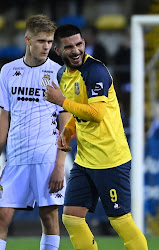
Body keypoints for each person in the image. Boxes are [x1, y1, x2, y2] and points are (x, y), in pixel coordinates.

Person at [44, 24, 148, 250]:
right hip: (85, 159)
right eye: (68, 47)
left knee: (121, 222)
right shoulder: (63, 74)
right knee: (71, 218)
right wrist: (69, 130)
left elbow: (97, 114)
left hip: (110, 158)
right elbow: (80, 111)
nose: (75, 50)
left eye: (79, 44)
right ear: (57, 51)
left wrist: (61, 102)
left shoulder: (95, 71)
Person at [0, 15, 70, 250]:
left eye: (50, 42)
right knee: (2, 216)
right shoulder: (8, 71)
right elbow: (4, 119)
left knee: (49, 218)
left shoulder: (60, 74)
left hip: (47, 158)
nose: (47, 47)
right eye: (41, 41)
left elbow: (67, 124)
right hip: (15, 158)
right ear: (27, 39)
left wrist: (60, 164)